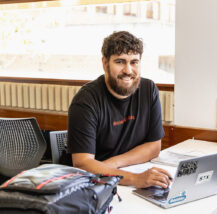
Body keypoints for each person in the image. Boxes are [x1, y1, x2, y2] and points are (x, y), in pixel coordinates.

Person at [67, 31, 172, 188]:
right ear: (105, 63)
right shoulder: (86, 100)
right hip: (90, 183)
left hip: (123, 172)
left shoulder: (148, 90)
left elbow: (154, 146)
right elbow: (83, 163)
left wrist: (114, 163)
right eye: (120, 62)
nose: (128, 70)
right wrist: (136, 179)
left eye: (134, 62)